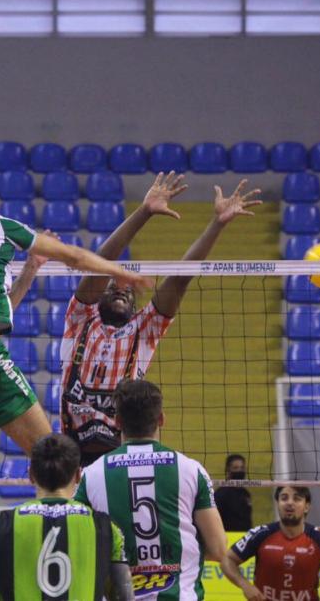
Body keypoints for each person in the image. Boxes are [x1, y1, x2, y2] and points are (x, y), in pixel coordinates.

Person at [0, 181, 152, 539]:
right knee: (54, 453)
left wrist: (30, 269)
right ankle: (79, 536)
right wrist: (122, 273)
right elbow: (73, 257)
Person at [61, 173, 262, 465]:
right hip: (72, 457)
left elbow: (179, 281)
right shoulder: (80, 320)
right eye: (113, 284)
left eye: (129, 290)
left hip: (119, 457)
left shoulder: (143, 330)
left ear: (134, 305)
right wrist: (143, 212)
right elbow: (100, 264)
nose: (121, 288)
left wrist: (217, 224)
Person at [75, 379, 228, 600]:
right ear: (161, 419)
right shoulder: (192, 470)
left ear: (117, 422)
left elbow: (79, 544)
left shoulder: (91, 474)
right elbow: (219, 549)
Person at [0, 433, 132, 601]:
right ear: (78, 475)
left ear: (31, 475)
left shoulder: (1, 523)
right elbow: (124, 596)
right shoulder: (105, 526)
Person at [221, 486, 320, 601]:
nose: (289, 503)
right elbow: (227, 559)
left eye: (297, 499)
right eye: (284, 498)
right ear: (278, 504)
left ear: (306, 507)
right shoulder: (261, 533)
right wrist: (245, 585)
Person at [215, 453, 253, 532]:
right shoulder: (220, 494)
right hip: (227, 537)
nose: (239, 471)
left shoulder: (245, 493)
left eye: (242, 468)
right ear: (228, 471)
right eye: (235, 468)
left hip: (244, 538)